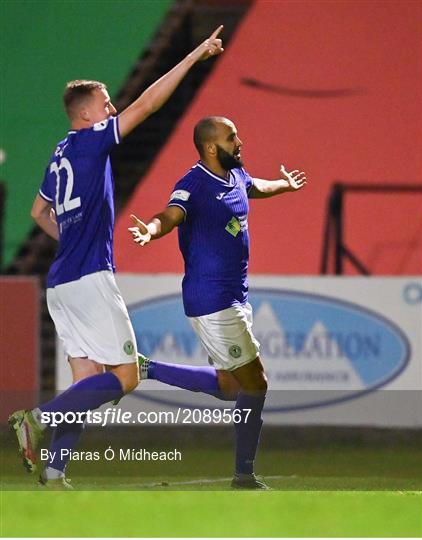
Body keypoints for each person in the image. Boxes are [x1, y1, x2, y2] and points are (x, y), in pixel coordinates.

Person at [8, 29, 224, 489]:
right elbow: (146, 105)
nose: (112, 110)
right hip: (88, 278)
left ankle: (54, 470)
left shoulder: (59, 153)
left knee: (85, 382)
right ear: (85, 115)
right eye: (105, 104)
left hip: (61, 282)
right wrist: (193, 57)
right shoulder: (89, 141)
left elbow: (37, 212)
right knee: (125, 377)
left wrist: (70, 236)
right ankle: (36, 419)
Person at [128, 116, 307, 489]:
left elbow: (256, 186)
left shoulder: (236, 176)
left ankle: (147, 369)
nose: (240, 141)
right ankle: (243, 474)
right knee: (255, 383)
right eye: (231, 137)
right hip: (212, 298)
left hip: (235, 295)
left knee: (231, 386)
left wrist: (284, 186)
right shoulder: (193, 184)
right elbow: (171, 215)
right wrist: (151, 229)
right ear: (211, 147)